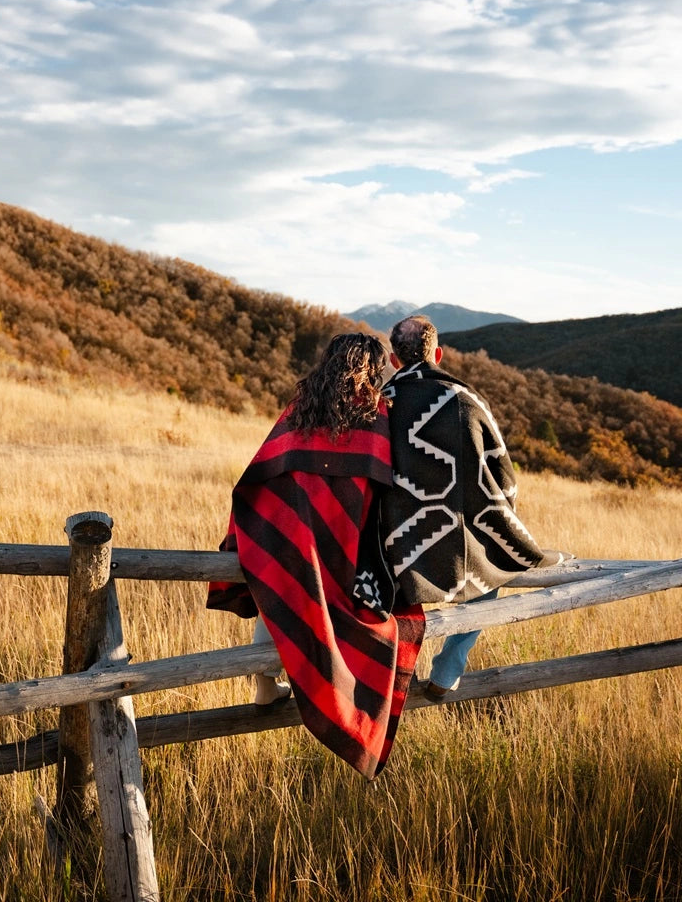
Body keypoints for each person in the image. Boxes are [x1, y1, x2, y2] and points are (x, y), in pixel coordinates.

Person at [207, 332, 426, 778]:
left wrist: (269, 522)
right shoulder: (374, 412)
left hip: (285, 527)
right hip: (343, 536)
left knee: (283, 579)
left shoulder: (302, 406)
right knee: (327, 597)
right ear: (372, 367)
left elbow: (264, 468)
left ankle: (266, 684)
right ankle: (295, 690)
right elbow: (382, 486)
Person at [368, 315, 571, 701]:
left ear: (395, 360)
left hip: (397, 545)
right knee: (492, 564)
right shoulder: (467, 401)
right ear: (438, 354)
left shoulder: (382, 404)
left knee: (381, 582)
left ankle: (390, 674)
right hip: (460, 544)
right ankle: (447, 671)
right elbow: (504, 478)